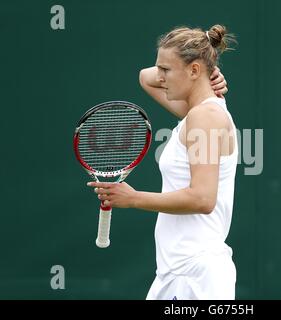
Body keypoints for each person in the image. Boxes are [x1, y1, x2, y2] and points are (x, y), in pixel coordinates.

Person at [87, 24, 238, 300]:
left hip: (196, 276)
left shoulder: (205, 118)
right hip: (177, 273)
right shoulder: (194, 112)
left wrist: (132, 198)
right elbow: (145, 77)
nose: (160, 77)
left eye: (166, 70)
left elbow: (203, 198)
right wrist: (209, 74)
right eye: (160, 68)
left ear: (193, 70)